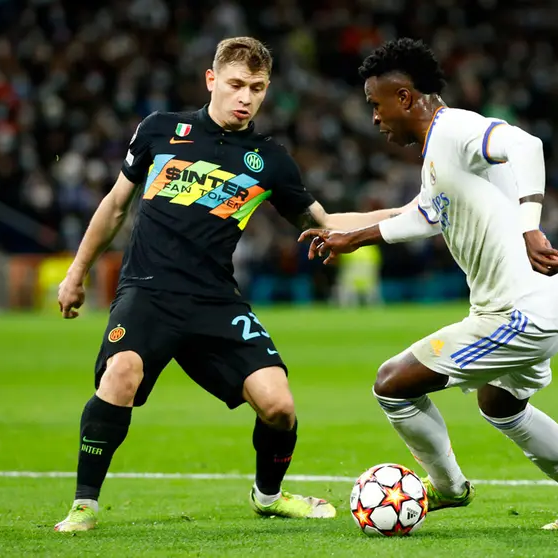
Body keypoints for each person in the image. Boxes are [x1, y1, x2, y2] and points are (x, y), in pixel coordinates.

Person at [54, 37, 407, 532]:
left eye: (257, 89)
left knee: (279, 407)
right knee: (121, 375)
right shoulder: (159, 132)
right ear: (212, 80)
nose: (246, 97)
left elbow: (326, 222)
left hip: (215, 301)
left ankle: (268, 497)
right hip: (148, 293)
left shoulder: (269, 160)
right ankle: (84, 506)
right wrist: (76, 274)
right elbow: (115, 206)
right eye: (237, 85)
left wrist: (409, 212)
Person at [299, 38, 558, 529]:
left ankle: (449, 489)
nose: (374, 117)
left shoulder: (455, 129)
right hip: (541, 306)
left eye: (376, 103)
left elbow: (525, 145)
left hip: (520, 312)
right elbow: (426, 215)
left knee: (392, 384)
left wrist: (530, 224)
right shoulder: (437, 155)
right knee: (502, 405)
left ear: (405, 97)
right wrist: (353, 237)